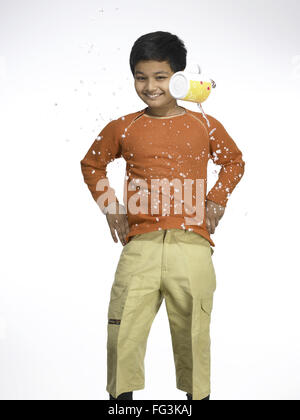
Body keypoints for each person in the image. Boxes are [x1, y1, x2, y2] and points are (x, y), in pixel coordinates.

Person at [80, 31, 245, 400]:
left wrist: (216, 199)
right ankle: (121, 403)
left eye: (160, 77)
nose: (150, 86)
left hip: (193, 244)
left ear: (180, 77)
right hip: (141, 247)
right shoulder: (124, 126)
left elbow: (233, 161)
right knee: (122, 330)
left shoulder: (204, 125)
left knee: (194, 333)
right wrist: (111, 206)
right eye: (141, 77)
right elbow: (92, 164)